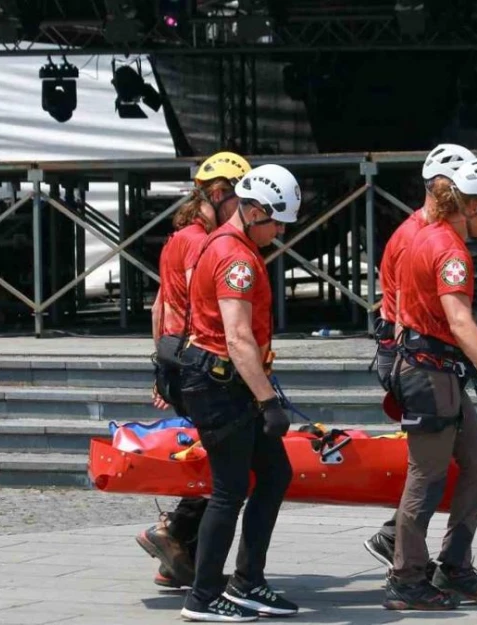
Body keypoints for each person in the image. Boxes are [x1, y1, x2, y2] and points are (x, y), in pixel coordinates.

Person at [384, 157, 477, 611]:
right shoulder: (450, 251)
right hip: (429, 373)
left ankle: (455, 563)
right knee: (426, 476)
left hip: (434, 370)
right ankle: (407, 577)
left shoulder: (423, 235)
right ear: (471, 206)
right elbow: (461, 322)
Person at [177, 163, 302, 622]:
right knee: (229, 490)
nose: (281, 230)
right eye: (276, 221)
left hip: (227, 381)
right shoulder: (236, 259)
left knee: (274, 475)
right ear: (251, 210)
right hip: (220, 384)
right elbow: (237, 337)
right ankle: (204, 595)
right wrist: (268, 401)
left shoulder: (232, 246)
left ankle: (248, 581)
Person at [139, 151, 252, 589]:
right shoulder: (199, 242)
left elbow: (159, 308)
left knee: (219, 453)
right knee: (229, 460)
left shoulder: (178, 238)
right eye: (240, 200)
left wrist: (162, 368)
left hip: (181, 360)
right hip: (204, 363)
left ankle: (175, 559)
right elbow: (205, 310)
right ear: (221, 194)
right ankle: (174, 530)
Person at [364, 143, 476, 572]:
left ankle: (439, 557)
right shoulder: (418, 237)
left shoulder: (428, 232)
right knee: (428, 466)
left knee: (470, 461)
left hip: (430, 361)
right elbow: (401, 312)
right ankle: (406, 560)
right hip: (419, 361)